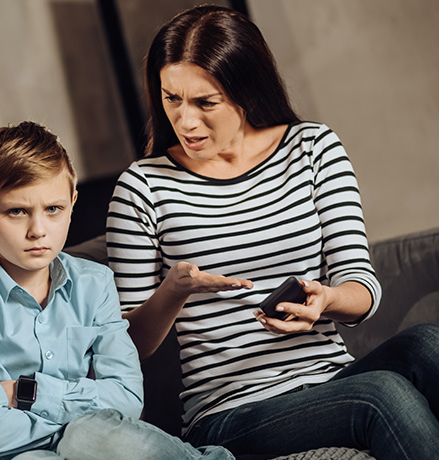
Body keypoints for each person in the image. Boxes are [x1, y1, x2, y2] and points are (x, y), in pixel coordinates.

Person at [106, 5, 439, 459]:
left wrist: (327, 299)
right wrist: (173, 291)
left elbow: (361, 286)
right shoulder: (142, 186)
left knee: (428, 345)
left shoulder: (314, 148)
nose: (185, 121)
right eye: (172, 98)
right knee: (380, 396)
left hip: (332, 381)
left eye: (205, 102)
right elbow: (125, 346)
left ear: (246, 90)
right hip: (230, 412)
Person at [0, 121, 232, 460]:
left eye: (53, 209)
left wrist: (25, 392)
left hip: (101, 445)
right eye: (16, 211)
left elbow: (128, 400)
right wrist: (80, 419)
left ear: (72, 203)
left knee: (88, 436)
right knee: (76, 439)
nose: (37, 231)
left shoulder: (94, 283)